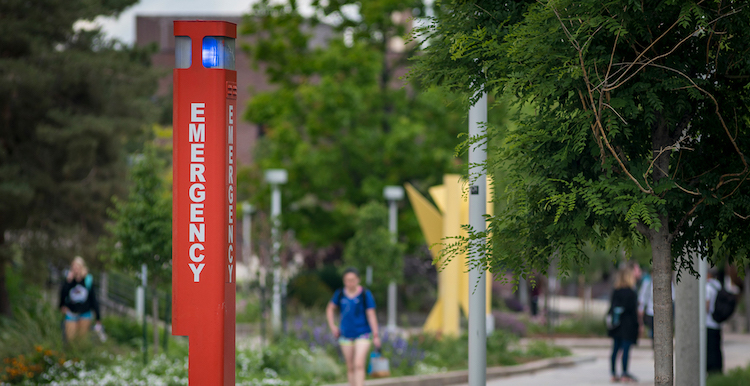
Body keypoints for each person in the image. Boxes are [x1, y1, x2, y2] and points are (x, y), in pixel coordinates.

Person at [326, 268, 381, 386]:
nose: (350, 283)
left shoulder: (365, 294)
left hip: (363, 333)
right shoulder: (340, 294)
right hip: (345, 335)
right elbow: (330, 308)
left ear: (358, 280)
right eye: (347, 280)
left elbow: (371, 315)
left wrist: (376, 335)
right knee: (350, 366)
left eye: (352, 280)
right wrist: (333, 326)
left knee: (358, 364)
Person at [608, 268, 640, 383]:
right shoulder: (631, 292)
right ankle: (624, 373)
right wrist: (638, 326)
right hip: (628, 325)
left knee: (615, 349)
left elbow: (611, 308)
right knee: (626, 350)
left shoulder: (615, 291)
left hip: (617, 325)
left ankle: (613, 373)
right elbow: (633, 311)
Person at [59, 256, 101, 343]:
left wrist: (98, 316)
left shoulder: (87, 280)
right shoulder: (69, 281)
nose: (76, 269)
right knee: (70, 340)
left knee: (82, 340)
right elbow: (63, 295)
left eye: (77, 267)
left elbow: (93, 298)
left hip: (85, 313)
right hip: (71, 313)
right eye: (74, 267)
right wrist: (68, 281)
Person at [706, 267, 724, 374]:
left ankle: (711, 370)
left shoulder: (708, 287)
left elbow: (707, 305)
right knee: (717, 347)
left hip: (709, 322)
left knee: (710, 348)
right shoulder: (718, 285)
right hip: (717, 322)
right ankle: (718, 369)